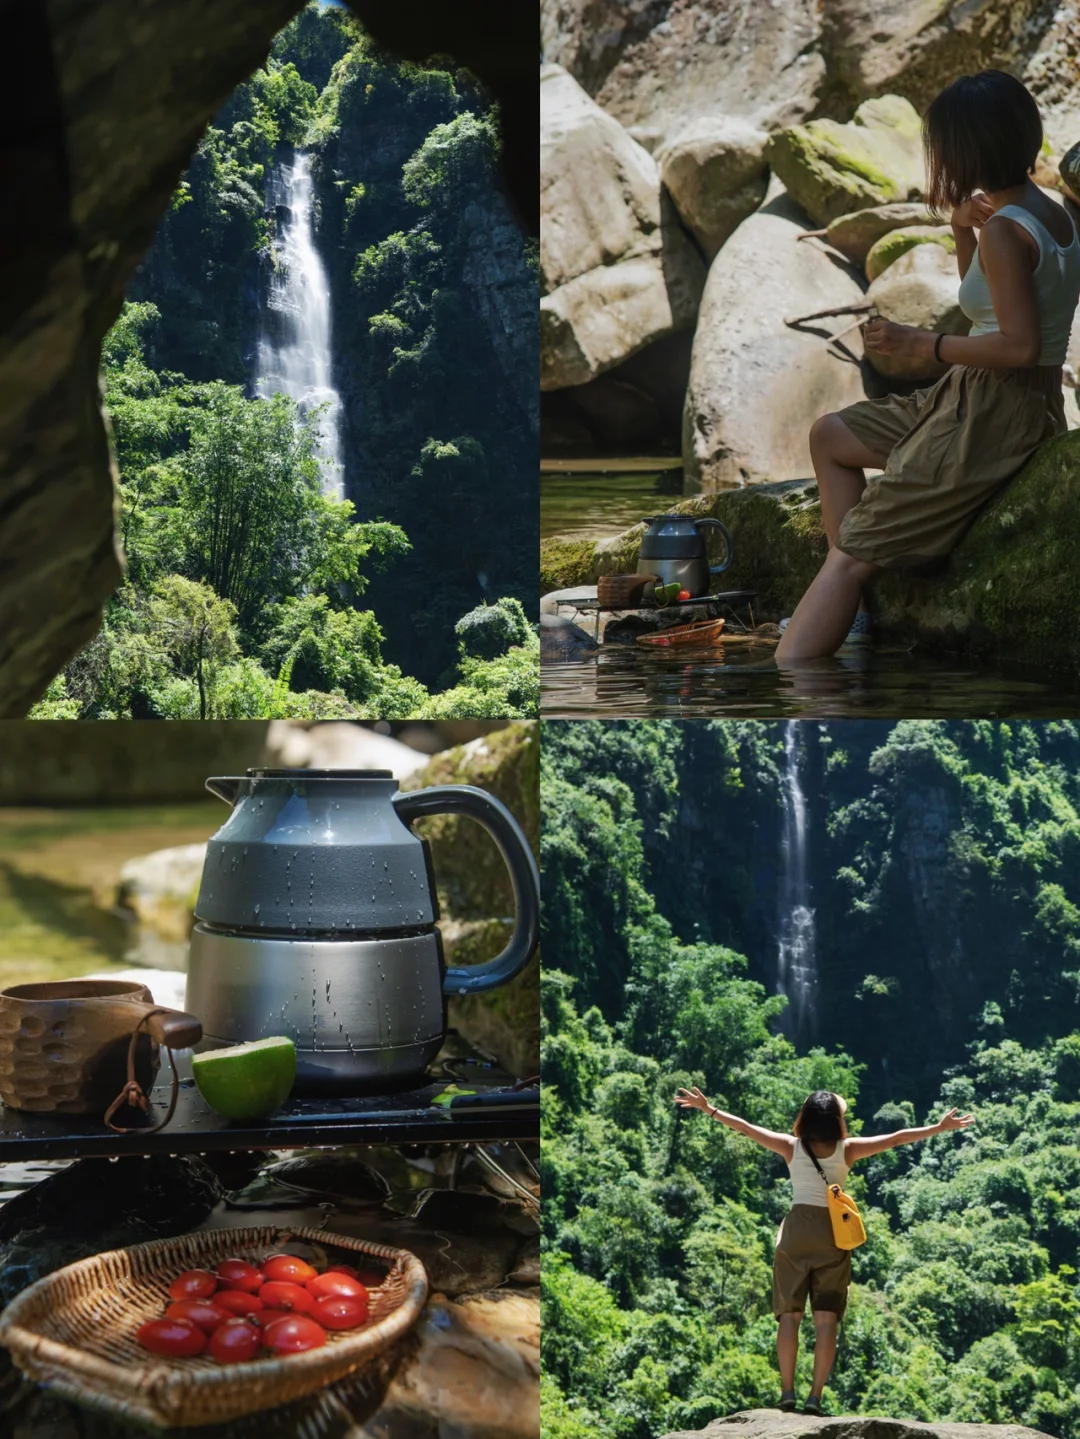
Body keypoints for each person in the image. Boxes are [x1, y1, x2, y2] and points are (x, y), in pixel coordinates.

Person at [775, 70, 1080, 663]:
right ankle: (859, 609)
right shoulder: (1052, 213)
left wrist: (926, 346)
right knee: (831, 435)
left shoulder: (1008, 230)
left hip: (996, 410)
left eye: (940, 145)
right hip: (985, 396)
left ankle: (814, 645)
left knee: (846, 557)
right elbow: (988, 303)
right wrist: (963, 228)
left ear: (966, 149)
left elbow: (1017, 347)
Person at [674, 1086, 974, 1413]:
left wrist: (709, 1108)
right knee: (826, 1319)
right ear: (837, 1120)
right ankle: (814, 1398)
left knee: (789, 1316)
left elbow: (745, 1127)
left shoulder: (791, 1147)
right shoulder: (848, 1150)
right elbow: (896, 1138)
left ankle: (787, 1393)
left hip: (795, 1233)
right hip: (833, 1234)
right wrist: (939, 1128)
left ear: (804, 1118)